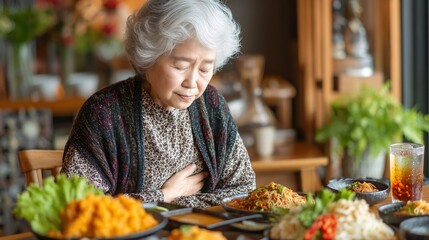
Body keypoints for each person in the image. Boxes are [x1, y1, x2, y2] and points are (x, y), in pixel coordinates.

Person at [61, 0, 256, 208]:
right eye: (180, 66)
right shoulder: (104, 112)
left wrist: (181, 202)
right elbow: (76, 208)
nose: (192, 82)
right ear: (149, 56)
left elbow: (244, 190)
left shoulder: (212, 105)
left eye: (205, 69)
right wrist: (163, 196)